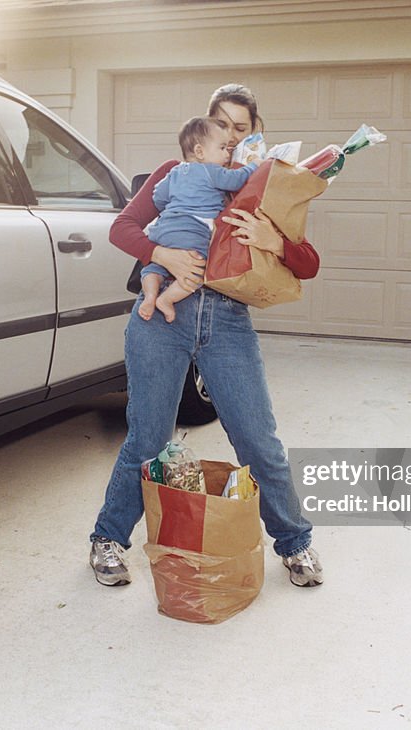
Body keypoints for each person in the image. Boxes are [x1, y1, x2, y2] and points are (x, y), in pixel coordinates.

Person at [89, 83, 324, 588]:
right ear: (207, 126)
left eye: (242, 128)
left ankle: (295, 543)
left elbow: (309, 263)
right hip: (161, 317)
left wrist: (274, 241)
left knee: (258, 442)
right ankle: (108, 539)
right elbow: (124, 227)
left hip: (228, 322)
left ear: (255, 132)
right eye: (223, 124)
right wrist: (163, 255)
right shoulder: (177, 173)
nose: (232, 135)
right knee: (148, 439)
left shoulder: (264, 184)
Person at [139, 116, 257, 323]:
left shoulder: (175, 172)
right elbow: (237, 180)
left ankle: (149, 295)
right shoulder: (211, 171)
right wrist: (254, 166)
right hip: (192, 230)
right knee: (198, 269)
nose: (227, 154)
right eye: (222, 148)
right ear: (200, 152)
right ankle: (166, 300)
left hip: (164, 229)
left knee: (154, 268)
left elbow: (158, 197)